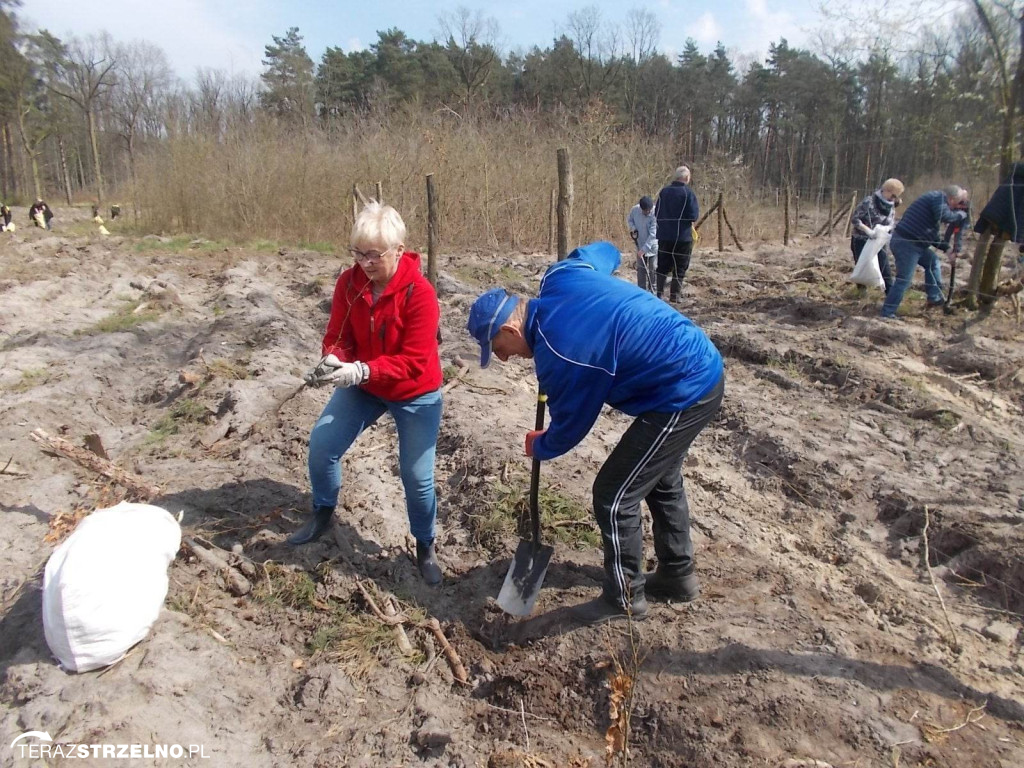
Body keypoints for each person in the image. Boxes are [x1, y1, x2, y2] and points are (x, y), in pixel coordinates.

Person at [466, 241, 724, 625]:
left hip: (683, 387)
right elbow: (603, 252)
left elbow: (572, 427)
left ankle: (624, 598)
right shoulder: (561, 276)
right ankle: (677, 576)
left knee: (614, 494)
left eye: (497, 348)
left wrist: (541, 445)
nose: (503, 358)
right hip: (692, 365)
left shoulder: (560, 355)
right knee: (660, 477)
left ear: (509, 328)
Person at [293, 202, 445, 586]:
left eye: (374, 254)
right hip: (363, 386)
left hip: (414, 392)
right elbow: (339, 335)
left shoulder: (421, 294)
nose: (365, 262)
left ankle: (425, 544)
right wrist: (332, 360)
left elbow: (412, 361)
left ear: (399, 249)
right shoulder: (349, 283)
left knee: (416, 477)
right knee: (322, 445)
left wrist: (363, 369)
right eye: (358, 253)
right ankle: (323, 511)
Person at [880, 185, 969, 319]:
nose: (957, 207)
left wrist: (948, 249)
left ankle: (934, 297)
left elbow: (932, 236)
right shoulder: (937, 198)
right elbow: (945, 216)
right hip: (907, 243)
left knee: (933, 262)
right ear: (952, 199)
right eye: (958, 203)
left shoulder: (936, 205)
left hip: (916, 244)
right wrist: (961, 215)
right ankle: (887, 312)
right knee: (904, 279)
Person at [965, 162, 1024, 309]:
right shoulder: (1016, 180)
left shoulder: (1014, 175)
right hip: (1003, 218)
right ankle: (984, 293)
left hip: (1002, 218)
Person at [850, 178, 904, 295]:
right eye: (893, 195)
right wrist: (868, 231)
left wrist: (886, 231)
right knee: (862, 265)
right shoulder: (869, 202)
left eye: (896, 197)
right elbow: (855, 219)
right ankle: (861, 294)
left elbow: (890, 223)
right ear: (886, 190)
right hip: (861, 239)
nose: (894, 199)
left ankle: (890, 295)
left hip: (878, 242)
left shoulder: (891, 207)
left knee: (884, 266)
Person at [654, 166, 700, 303]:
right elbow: (694, 215)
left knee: (662, 266)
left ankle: (659, 293)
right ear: (687, 178)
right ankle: (675, 296)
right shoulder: (688, 193)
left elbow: (657, 213)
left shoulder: (664, 192)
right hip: (682, 237)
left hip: (664, 236)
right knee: (680, 266)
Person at [627, 195, 658, 293]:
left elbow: (653, 235)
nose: (647, 212)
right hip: (639, 243)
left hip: (652, 246)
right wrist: (633, 228)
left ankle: (653, 290)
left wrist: (644, 249)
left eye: (648, 210)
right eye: (645, 210)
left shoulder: (656, 213)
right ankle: (641, 291)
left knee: (653, 268)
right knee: (641, 269)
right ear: (641, 208)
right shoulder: (635, 210)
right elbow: (629, 220)